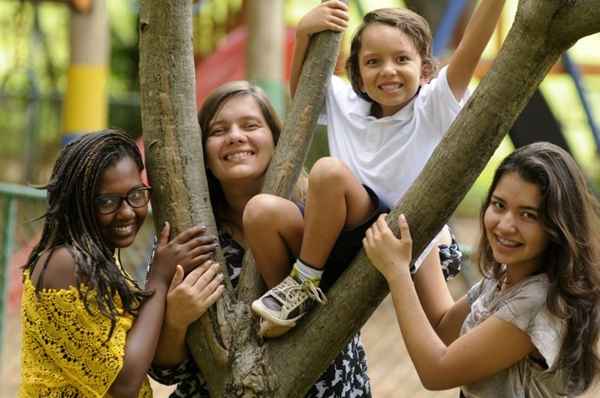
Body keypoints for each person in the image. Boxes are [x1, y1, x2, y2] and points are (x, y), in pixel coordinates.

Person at [249, 0, 502, 333]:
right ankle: (291, 302)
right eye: (373, 62)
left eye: (401, 60)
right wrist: (303, 34)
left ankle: (304, 282)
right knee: (260, 211)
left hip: (401, 233)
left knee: (328, 173)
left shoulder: (434, 104)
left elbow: (472, 46)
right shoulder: (346, 104)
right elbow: (303, 97)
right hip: (333, 239)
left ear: (425, 70)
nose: (388, 70)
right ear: (357, 73)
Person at [149, 81, 372, 397]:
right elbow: (166, 370)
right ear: (203, 154)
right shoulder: (188, 238)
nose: (235, 136)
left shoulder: (320, 214)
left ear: (278, 141)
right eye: (218, 131)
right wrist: (175, 321)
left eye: (250, 125)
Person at [363, 142, 600, 396]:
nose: (505, 225)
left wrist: (397, 272)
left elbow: (436, 371)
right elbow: (445, 329)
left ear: (557, 225)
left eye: (528, 215)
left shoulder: (538, 301)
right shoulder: (506, 276)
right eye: (499, 205)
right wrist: (423, 236)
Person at [19, 130, 223, 397]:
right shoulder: (65, 263)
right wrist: (158, 278)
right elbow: (121, 385)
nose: (127, 212)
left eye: (136, 195)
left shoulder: (100, 263)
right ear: (78, 202)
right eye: (107, 201)